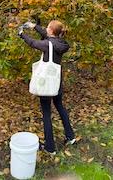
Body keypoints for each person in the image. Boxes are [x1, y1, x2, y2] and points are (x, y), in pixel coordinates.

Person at [18, 20, 75, 155]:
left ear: (51, 30)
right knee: (60, 107)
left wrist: (21, 34)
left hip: (46, 85)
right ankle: (70, 136)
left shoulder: (46, 44)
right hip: (57, 82)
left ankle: (50, 147)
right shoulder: (61, 44)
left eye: (48, 27)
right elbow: (47, 35)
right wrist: (34, 27)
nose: (46, 29)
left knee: (46, 114)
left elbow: (32, 43)